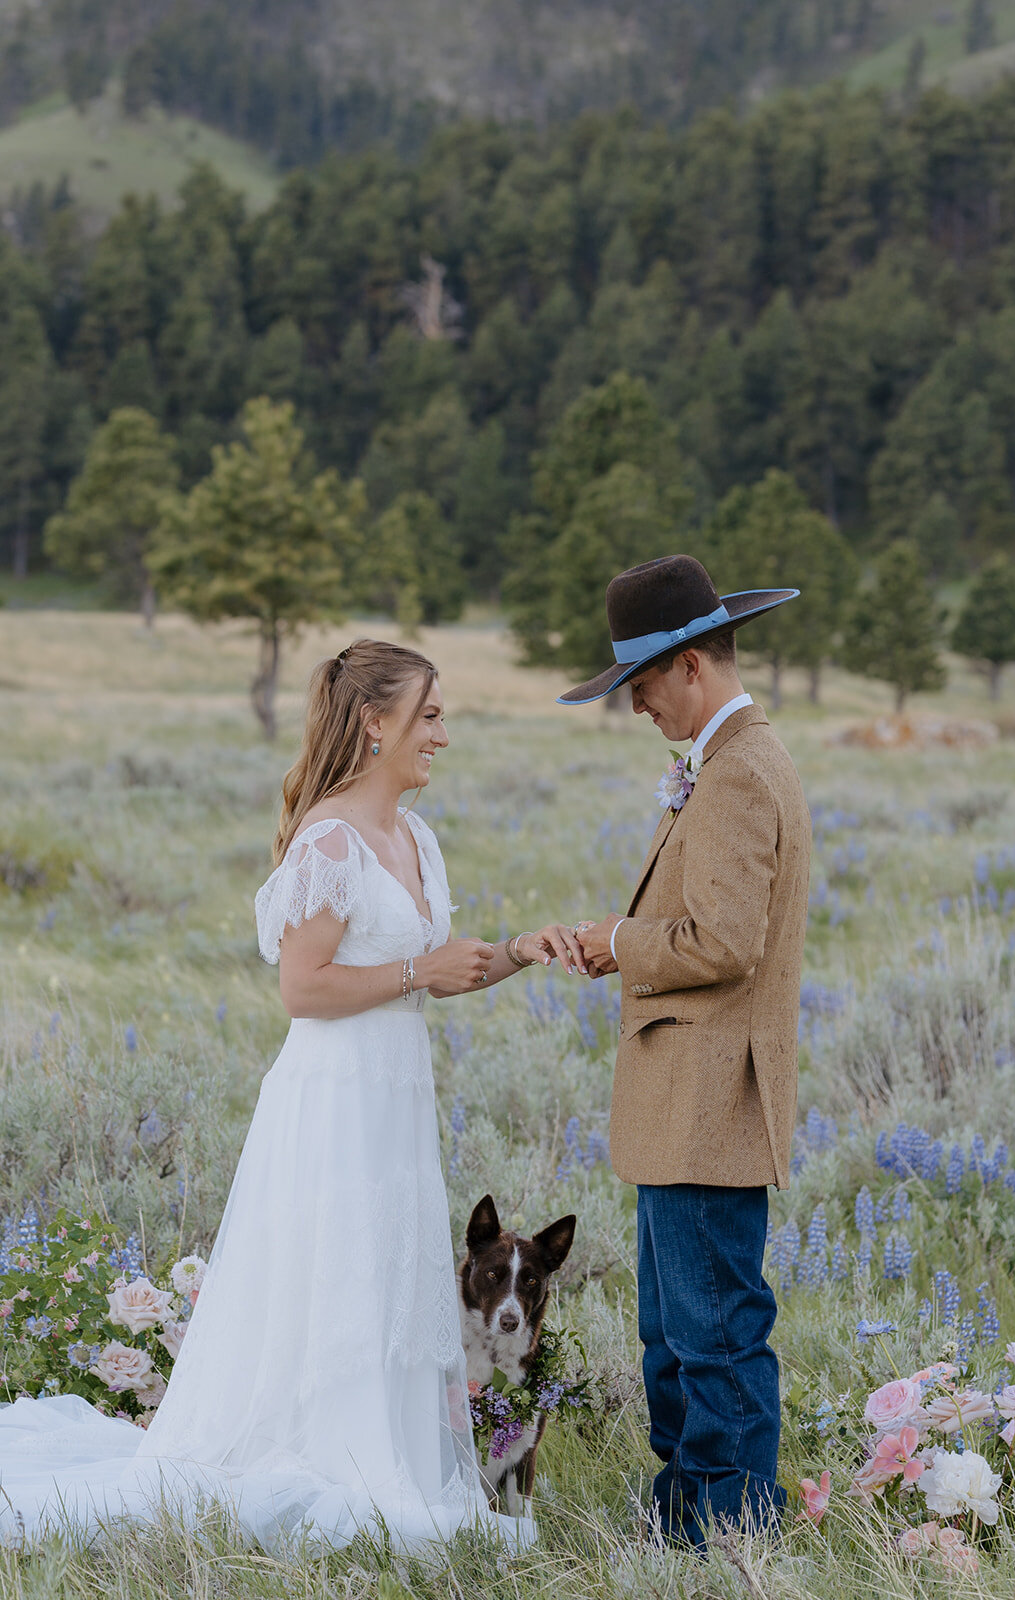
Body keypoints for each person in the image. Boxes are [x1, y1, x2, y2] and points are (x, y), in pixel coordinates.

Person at [0, 639, 585, 1552]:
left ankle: (381, 1453)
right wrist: (418, 968)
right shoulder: (330, 842)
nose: (442, 732)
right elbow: (304, 990)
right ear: (374, 722)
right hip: (332, 1098)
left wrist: (512, 952)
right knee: (333, 1267)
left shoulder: (414, 837)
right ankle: (324, 1460)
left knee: (387, 1268)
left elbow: (427, 974)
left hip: (395, 1096)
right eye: (429, 715)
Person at [564, 555, 811, 1547]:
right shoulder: (733, 760)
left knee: (711, 1331)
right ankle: (683, 1514)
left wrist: (615, 941)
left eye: (641, 685)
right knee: (675, 1331)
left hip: (710, 1098)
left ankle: (729, 1531)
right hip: (687, 1099)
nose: (636, 709)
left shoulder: (739, 773)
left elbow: (722, 943)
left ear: (689, 668)